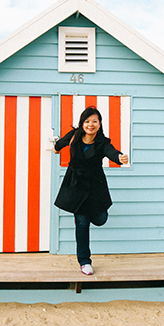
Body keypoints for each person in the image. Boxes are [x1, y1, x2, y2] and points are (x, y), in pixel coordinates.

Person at [53, 106, 129, 275]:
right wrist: (56, 147)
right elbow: (59, 145)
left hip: (95, 187)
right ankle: (84, 262)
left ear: (100, 124)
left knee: (100, 219)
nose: (90, 125)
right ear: (82, 123)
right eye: (87, 121)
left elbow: (112, 153)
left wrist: (119, 158)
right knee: (81, 223)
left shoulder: (102, 143)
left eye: (94, 121)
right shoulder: (74, 136)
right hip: (76, 187)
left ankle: (98, 214)